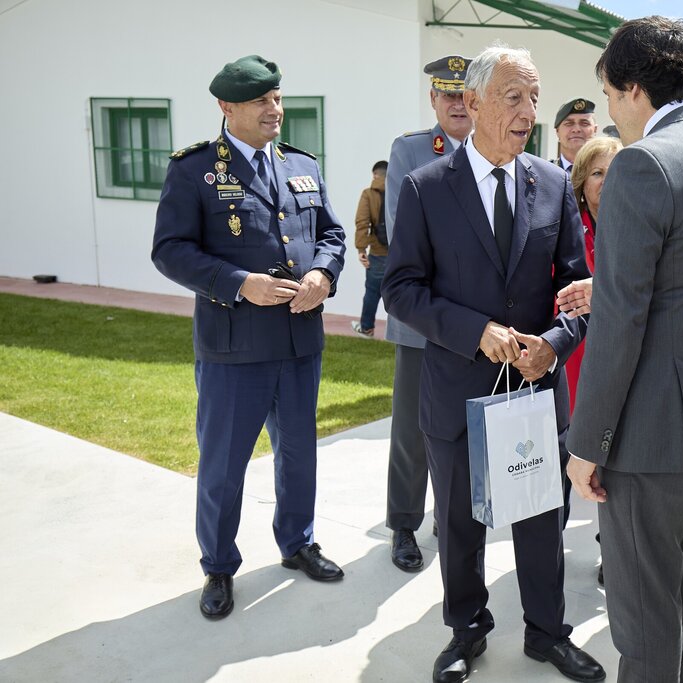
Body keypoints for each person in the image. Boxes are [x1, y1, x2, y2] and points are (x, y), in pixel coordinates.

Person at [382, 44, 605, 683]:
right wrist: (475, 332)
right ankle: (466, 631)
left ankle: (547, 634)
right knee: (458, 524)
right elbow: (402, 289)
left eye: (534, 99)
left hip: (536, 390)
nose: (528, 112)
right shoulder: (427, 188)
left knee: (542, 518)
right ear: (474, 103)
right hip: (457, 390)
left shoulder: (555, 183)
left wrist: (555, 345)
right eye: (515, 97)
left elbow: (577, 287)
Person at [564, 16, 683, 682]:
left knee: (644, 625)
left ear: (633, 89)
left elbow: (620, 325)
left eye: (611, 98)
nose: (610, 116)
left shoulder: (643, 161)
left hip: (651, 437)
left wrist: (586, 442)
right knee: (681, 596)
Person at [151, 55, 347, 620]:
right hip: (233, 348)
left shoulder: (301, 166)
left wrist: (323, 274)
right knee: (223, 464)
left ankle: (298, 542)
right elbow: (170, 250)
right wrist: (239, 284)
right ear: (226, 108)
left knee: (299, 454)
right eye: (262, 102)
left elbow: (331, 234)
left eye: (278, 98)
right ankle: (217, 565)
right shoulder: (194, 170)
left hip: (297, 342)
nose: (275, 110)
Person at [383, 55, 473, 573]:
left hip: (479, 323)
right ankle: (402, 524)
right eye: (448, 95)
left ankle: (451, 514)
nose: (457, 104)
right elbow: (402, 233)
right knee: (413, 429)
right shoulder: (411, 150)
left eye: (464, 95)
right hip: (424, 318)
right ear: (434, 100)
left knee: (464, 426)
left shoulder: (495, 147)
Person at [564, 135, 621, 413]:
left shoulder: (640, 231)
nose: (607, 181)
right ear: (582, 184)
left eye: (615, 173)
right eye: (597, 173)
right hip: (579, 353)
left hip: (625, 352)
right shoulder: (567, 232)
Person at [352, 160, 388, 337]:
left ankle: (366, 328)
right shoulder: (400, 191)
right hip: (402, 255)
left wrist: (361, 249)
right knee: (402, 294)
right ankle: (402, 333)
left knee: (372, 293)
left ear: (375, 175)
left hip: (378, 253)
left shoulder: (368, 194)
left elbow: (362, 222)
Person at [550, 98, 598, 172]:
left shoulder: (609, 173)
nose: (576, 129)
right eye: (569, 124)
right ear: (557, 131)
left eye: (584, 123)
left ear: (595, 130)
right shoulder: (545, 174)